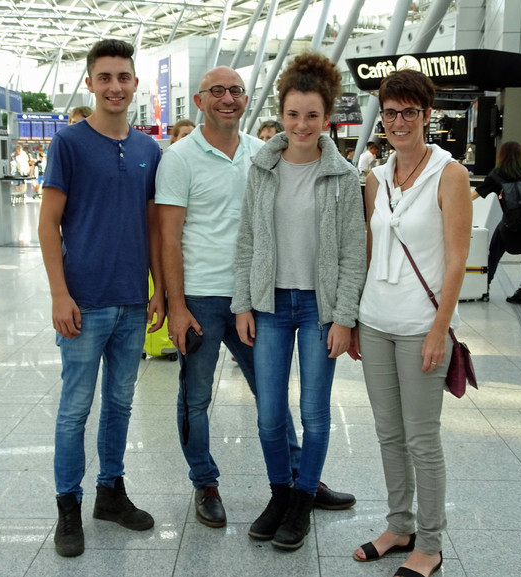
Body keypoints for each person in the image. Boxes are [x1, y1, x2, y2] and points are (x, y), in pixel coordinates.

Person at [156, 65, 356, 532]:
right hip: (204, 296)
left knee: (272, 400)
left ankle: (298, 479)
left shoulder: (260, 153)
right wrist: (176, 303)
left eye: (236, 91)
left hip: (259, 298)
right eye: (217, 91)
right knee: (195, 397)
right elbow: (168, 238)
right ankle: (205, 482)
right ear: (200, 99)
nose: (227, 98)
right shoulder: (180, 157)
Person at [232, 53, 366, 551]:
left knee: (313, 410)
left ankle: (304, 499)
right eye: (293, 114)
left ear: (326, 117)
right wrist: (242, 303)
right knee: (269, 412)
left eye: (312, 115)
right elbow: (246, 240)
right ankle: (279, 493)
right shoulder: (262, 167)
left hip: (318, 308)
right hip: (268, 304)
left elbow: (354, 254)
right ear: (280, 114)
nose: (302, 125)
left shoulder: (342, 176)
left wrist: (343, 318)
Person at [38, 38, 164, 558]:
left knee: (120, 403)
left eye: (123, 77)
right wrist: (59, 294)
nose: (115, 86)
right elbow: (48, 224)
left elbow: (155, 226)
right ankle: (69, 505)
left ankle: (111, 492)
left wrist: (158, 289)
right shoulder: (68, 144)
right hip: (84, 301)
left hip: (133, 300)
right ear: (90, 82)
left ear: (135, 84)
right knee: (74, 409)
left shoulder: (148, 149)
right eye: (105, 77)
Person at [350, 69, 471, 577]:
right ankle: (398, 525)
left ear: (427, 115)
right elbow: (371, 249)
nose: (398, 122)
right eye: (391, 112)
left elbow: (457, 259)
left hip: (422, 324)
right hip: (375, 320)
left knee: (422, 437)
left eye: (409, 112)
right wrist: (355, 317)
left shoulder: (450, 174)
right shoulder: (376, 177)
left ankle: (431, 540)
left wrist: (440, 328)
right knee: (387, 432)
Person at [473, 141, 521, 305]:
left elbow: (475, 194)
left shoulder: (497, 175)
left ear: (501, 155)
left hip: (509, 225)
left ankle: (485, 287)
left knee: (494, 254)